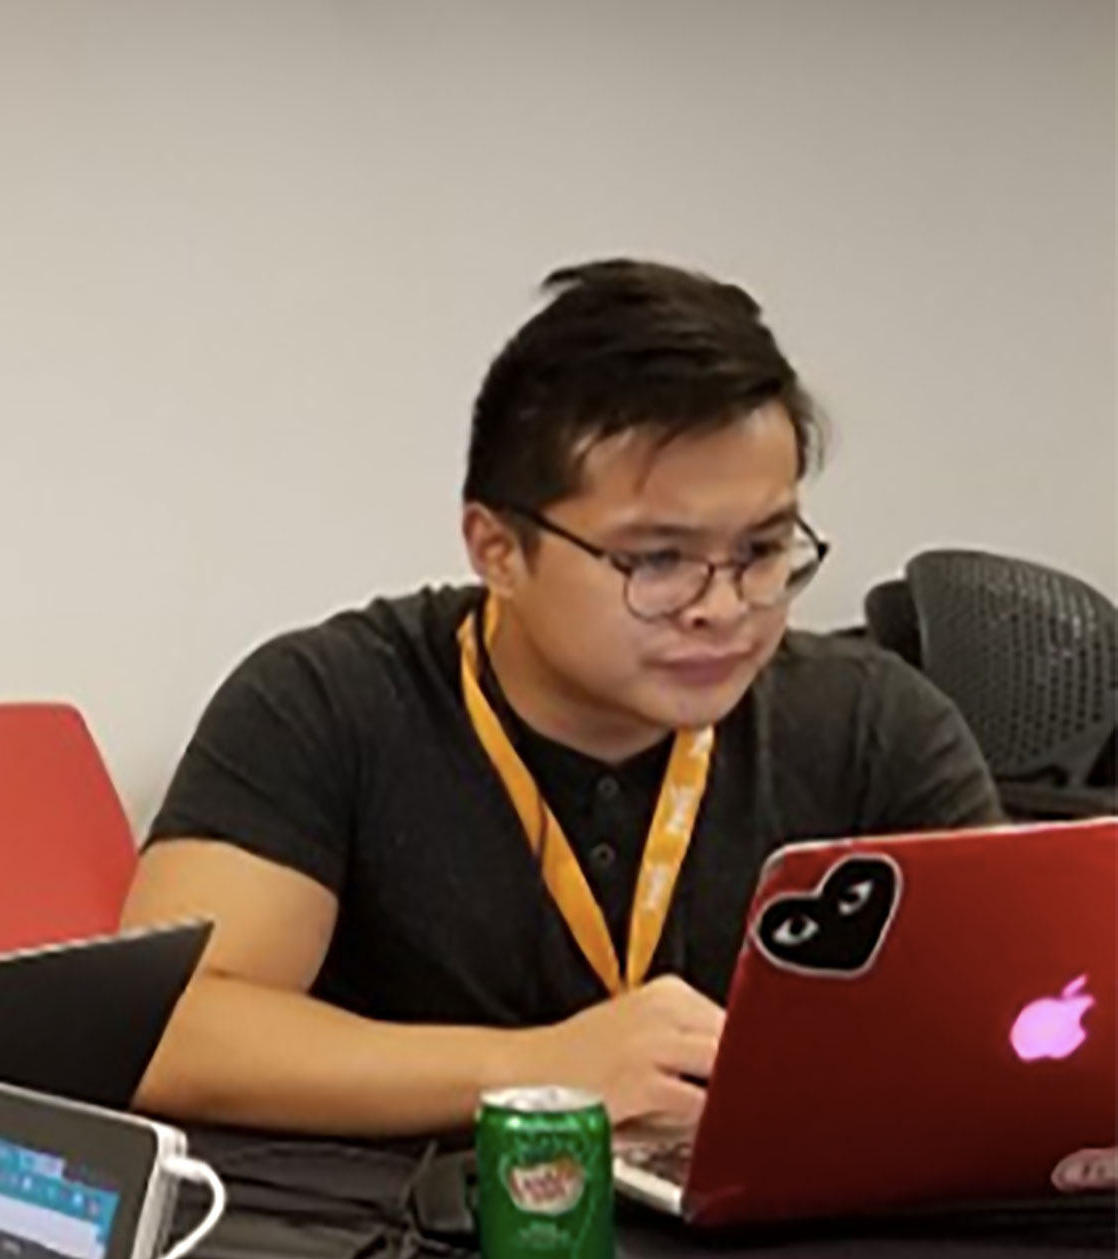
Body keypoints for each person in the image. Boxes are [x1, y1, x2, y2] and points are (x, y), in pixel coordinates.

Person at [124, 259, 998, 1140]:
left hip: (771, 1222)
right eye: (657, 560)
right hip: (421, 1220)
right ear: (498, 549)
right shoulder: (326, 703)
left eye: (762, 550)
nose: (723, 607)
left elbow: (1019, 1018)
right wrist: (536, 1069)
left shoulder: (876, 725)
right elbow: (164, 1030)